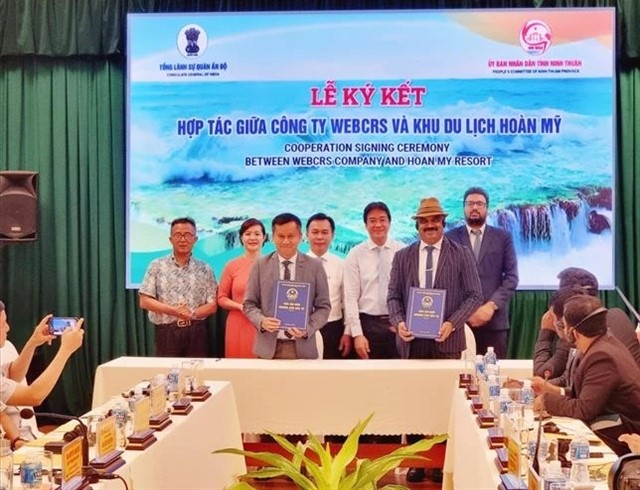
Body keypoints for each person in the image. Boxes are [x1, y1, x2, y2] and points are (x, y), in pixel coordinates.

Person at [388, 197, 483, 484]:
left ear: (443, 222)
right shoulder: (402, 256)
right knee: (414, 401)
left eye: (435, 220)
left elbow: (475, 296)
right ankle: (417, 461)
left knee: (444, 403)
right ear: (417, 225)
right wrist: (399, 322)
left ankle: (442, 461)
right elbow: (393, 297)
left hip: (447, 341)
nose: (430, 225)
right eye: (424, 221)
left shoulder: (461, 254)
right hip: (412, 342)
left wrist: (452, 323)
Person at [534, 295, 640, 456]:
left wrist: (546, 401)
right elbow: (590, 394)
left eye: (564, 325)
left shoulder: (602, 356)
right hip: (613, 422)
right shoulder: (605, 343)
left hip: (623, 433)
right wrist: (551, 390)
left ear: (573, 332)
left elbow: (584, 409)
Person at [243, 213, 331, 359]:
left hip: (302, 347)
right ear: (272, 237)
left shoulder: (314, 266)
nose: (285, 241)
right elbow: (249, 304)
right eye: (281, 236)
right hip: (268, 348)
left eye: (291, 236)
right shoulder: (260, 265)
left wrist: (307, 328)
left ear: (300, 236)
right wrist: (262, 321)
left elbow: (324, 307)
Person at [0, 300, 84, 449]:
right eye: (2, 324)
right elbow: (33, 396)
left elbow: (12, 377)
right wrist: (65, 351)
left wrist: (33, 342)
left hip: (25, 436)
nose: (8, 328)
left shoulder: (7, 346)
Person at [446, 187, 518, 359]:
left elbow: (512, 277)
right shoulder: (450, 238)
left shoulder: (503, 237)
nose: (475, 207)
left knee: (493, 371)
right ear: (464, 207)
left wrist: (490, 306)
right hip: (459, 323)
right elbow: (445, 279)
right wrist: (465, 313)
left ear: (487, 208)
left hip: (494, 322)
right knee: (461, 371)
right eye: (470, 203)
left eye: (479, 204)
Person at [139, 217, 218, 357]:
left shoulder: (205, 269)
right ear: (170, 239)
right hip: (167, 332)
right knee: (168, 370)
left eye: (188, 235)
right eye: (178, 235)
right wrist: (174, 311)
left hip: (196, 332)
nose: (183, 239)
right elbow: (144, 301)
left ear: (195, 239)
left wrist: (191, 314)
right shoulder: (156, 265)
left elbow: (212, 306)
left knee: (196, 370)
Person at [343, 202, 405, 359]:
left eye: (382, 219)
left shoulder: (403, 251)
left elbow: (411, 290)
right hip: (368, 325)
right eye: (372, 220)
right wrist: (357, 334)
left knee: (400, 371)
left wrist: (405, 322)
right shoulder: (355, 254)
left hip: (398, 324)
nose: (378, 224)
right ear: (366, 225)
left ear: (389, 222)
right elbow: (350, 297)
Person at [217, 218, 267, 358]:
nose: (252, 238)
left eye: (257, 234)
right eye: (247, 234)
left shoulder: (272, 264)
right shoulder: (231, 265)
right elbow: (221, 298)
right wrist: (240, 307)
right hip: (238, 322)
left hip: (265, 323)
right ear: (241, 238)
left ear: (264, 237)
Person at [306, 213, 352, 358]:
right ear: (307, 235)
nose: (319, 237)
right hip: (304, 328)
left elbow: (348, 301)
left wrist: (347, 332)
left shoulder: (342, 264)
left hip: (333, 328)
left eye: (325, 232)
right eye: (315, 232)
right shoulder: (297, 263)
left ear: (332, 235)